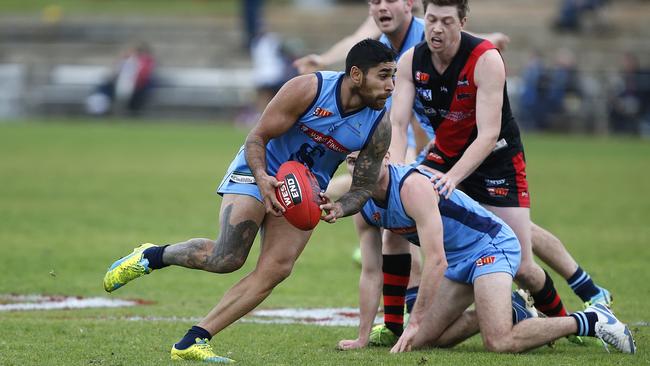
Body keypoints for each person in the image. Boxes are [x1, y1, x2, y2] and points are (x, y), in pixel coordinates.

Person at [102, 39, 397, 363]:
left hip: (303, 191)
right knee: (227, 257)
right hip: (257, 171)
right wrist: (262, 179)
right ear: (356, 74)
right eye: (383, 76)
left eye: (394, 76)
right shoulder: (308, 90)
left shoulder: (379, 123)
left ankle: (193, 340)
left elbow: (365, 184)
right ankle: (153, 255)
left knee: (277, 269)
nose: (391, 85)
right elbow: (257, 136)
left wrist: (341, 207)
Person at [388, 0, 612, 334]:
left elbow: (489, 133)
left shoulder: (486, 59)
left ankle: (570, 320)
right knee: (394, 224)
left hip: (496, 158)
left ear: (463, 22)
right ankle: (395, 325)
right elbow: (397, 121)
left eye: (446, 21)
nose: (436, 28)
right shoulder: (410, 60)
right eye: (431, 20)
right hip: (446, 153)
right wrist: (395, 166)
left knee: (522, 266)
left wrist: (452, 179)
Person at [333, 151, 636, 354]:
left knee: (498, 342)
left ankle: (593, 321)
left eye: (369, 157)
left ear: (386, 155)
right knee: (426, 342)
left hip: (490, 245)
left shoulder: (411, 187)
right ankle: (514, 310)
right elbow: (371, 273)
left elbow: (435, 260)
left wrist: (414, 321)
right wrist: (362, 337)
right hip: (459, 259)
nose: (361, 167)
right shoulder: (362, 205)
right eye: (352, 160)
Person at [85, 42, 155, 116]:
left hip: (133, 85)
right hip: (124, 83)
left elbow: (141, 75)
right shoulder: (129, 60)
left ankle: (120, 112)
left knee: (123, 99)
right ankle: (115, 112)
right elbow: (116, 71)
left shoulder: (141, 61)